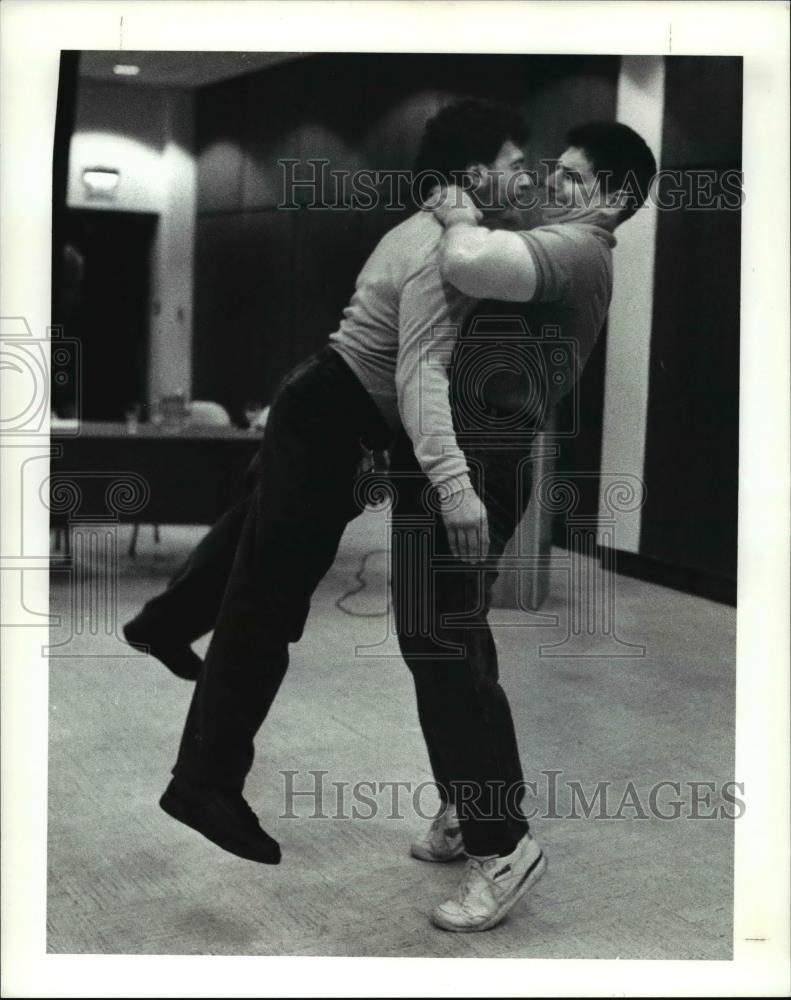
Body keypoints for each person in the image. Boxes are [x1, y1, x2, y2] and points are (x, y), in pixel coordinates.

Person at [126, 99, 532, 865]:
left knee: (252, 547)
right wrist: (453, 483)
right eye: (515, 166)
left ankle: (163, 622)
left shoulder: (444, 233)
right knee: (265, 604)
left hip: (325, 405)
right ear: (477, 174)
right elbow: (420, 374)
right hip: (330, 418)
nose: (524, 179)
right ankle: (203, 781)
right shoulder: (441, 252)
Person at [389, 121, 657, 931]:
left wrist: (455, 213)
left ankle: (503, 845)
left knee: (444, 645)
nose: (553, 187)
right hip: (471, 451)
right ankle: (469, 809)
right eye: (554, 173)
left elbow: (467, 261)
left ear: (611, 200)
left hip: (485, 456)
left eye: (574, 180)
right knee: (443, 641)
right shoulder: (554, 237)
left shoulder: (581, 251)